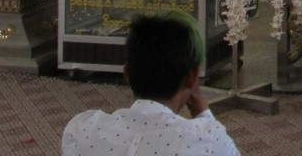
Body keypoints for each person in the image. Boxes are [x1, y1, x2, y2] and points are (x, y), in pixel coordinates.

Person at [62, 11, 239, 156]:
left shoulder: (82, 129)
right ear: (192, 78)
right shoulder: (208, 140)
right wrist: (203, 113)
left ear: (127, 74)